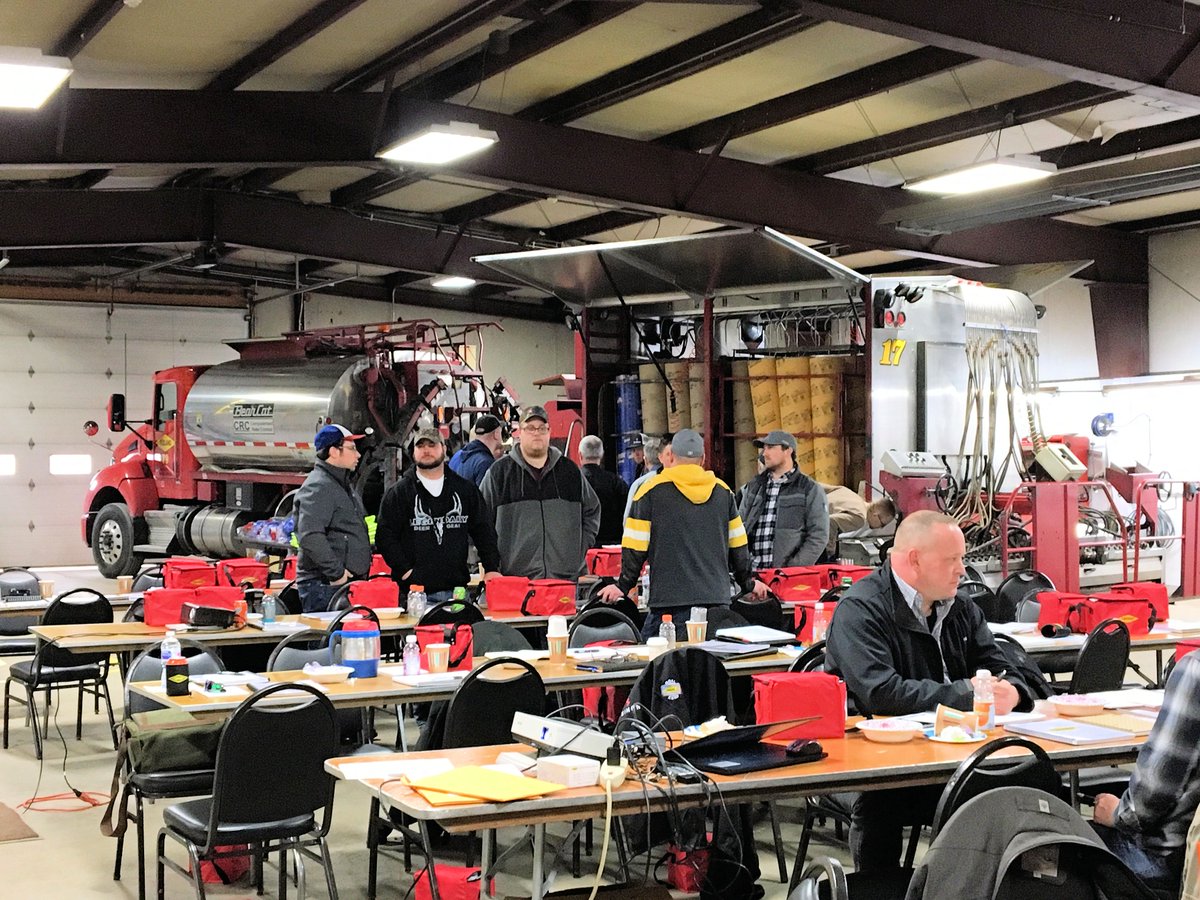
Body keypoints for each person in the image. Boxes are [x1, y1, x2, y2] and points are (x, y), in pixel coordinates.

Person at [824, 510, 1034, 870]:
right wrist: (968, 695)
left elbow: (1007, 666)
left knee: (1022, 781)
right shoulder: (860, 610)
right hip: (872, 761)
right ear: (915, 561)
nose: (962, 570)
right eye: (952, 560)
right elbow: (882, 693)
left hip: (951, 754)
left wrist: (1013, 692)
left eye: (962, 559)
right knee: (881, 801)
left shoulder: (961, 608)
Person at [599, 428, 767, 640]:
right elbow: (738, 546)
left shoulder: (649, 491)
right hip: (717, 603)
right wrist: (748, 583)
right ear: (703, 458)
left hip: (669, 606)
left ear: (670, 456)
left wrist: (622, 585)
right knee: (709, 667)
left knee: (658, 666)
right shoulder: (723, 492)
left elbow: (635, 547)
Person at [1092, 651, 1200, 898]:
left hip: (1174, 858)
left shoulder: (1196, 670)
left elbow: (1151, 796)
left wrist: (1118, 814)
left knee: (1052, 851)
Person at [376, 427, 501, 604]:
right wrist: (406, 571)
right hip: (415, 595)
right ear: (413, 452)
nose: (426, 450)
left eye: (432, 445)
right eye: (420, 446)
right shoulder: (399, 493)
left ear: (443, 448)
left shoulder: (465, 490)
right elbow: (385, 537)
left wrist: (491, 567)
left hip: (458, 593)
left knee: (461, 632)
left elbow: (484, 530)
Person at [480, 405, 600, 579]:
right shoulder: (499, 473)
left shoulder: (570, 472)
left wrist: (580, 548)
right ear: (519, 433)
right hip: (515, 581)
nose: (536, 433)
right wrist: (492, 564)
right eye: (530, 428)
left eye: (541, 428)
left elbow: (592, 510)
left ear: (549, 432)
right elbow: (481, 522)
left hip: (565, 582)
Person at [293, 424, 372, 613]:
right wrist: (337, 574)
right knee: (327, 642)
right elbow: (310, 535)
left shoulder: (339, 483)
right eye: (352, 449)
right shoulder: (319, 486)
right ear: (333, 452)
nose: (358, 455)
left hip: (337, 585)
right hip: (325, 587)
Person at [738, 430, 828, 570]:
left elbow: (818, 535)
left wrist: (794, 568)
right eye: (764, 448)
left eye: (771, 447)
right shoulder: (754, 486)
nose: (764, 453)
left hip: (787, 578)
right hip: (753, 577)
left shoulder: (809, 489)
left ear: (788, 450)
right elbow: (739, 527)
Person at [579, 434, 629, 547]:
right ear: (601, 455)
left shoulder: (571, 482)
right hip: (612, 548)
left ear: (580, 455)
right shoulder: (616, 482)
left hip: (580, 547)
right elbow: (628, 511)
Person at [448, 414, 506, 487]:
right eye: (500, 432)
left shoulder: (457, 455)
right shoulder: (485, 463)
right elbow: (486, 496)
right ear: (496, 434)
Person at [819, 481, 869, 562]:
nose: (880, 527)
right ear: (876, 514)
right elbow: (830, 522)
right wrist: (830, 552)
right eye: (882, 524)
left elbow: (817, 487)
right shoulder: (860, 517)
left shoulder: (849, 493)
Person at [623, 434, 665, 520]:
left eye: (639, 449)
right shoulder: (639, 470)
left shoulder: (642, 480)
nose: (636, 454)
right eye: (633, 450)